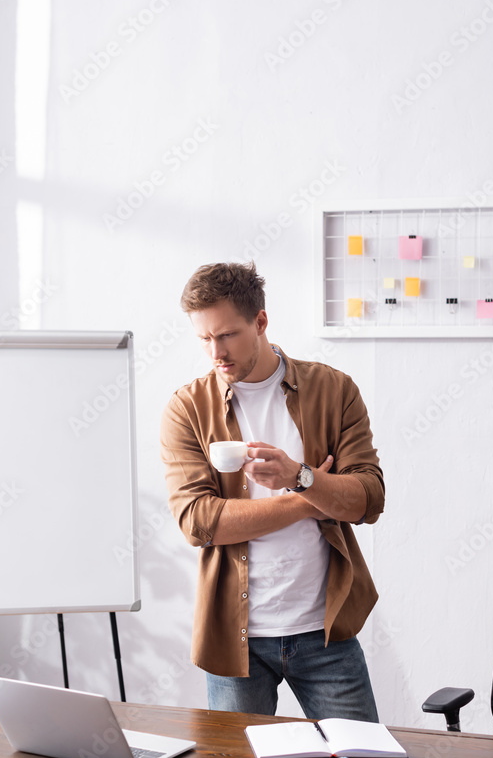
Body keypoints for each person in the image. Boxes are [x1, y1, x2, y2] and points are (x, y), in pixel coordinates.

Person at [160, 261, 384, 721]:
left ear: (260, 322)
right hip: (233, 638)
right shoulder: (188, 408)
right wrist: (307, 497)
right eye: (203, 338)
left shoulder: (334, 390)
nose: (215, 352)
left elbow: (368, 499)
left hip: (324, 632)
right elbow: (199, 523)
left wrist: (300, 474)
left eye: (226, 335)